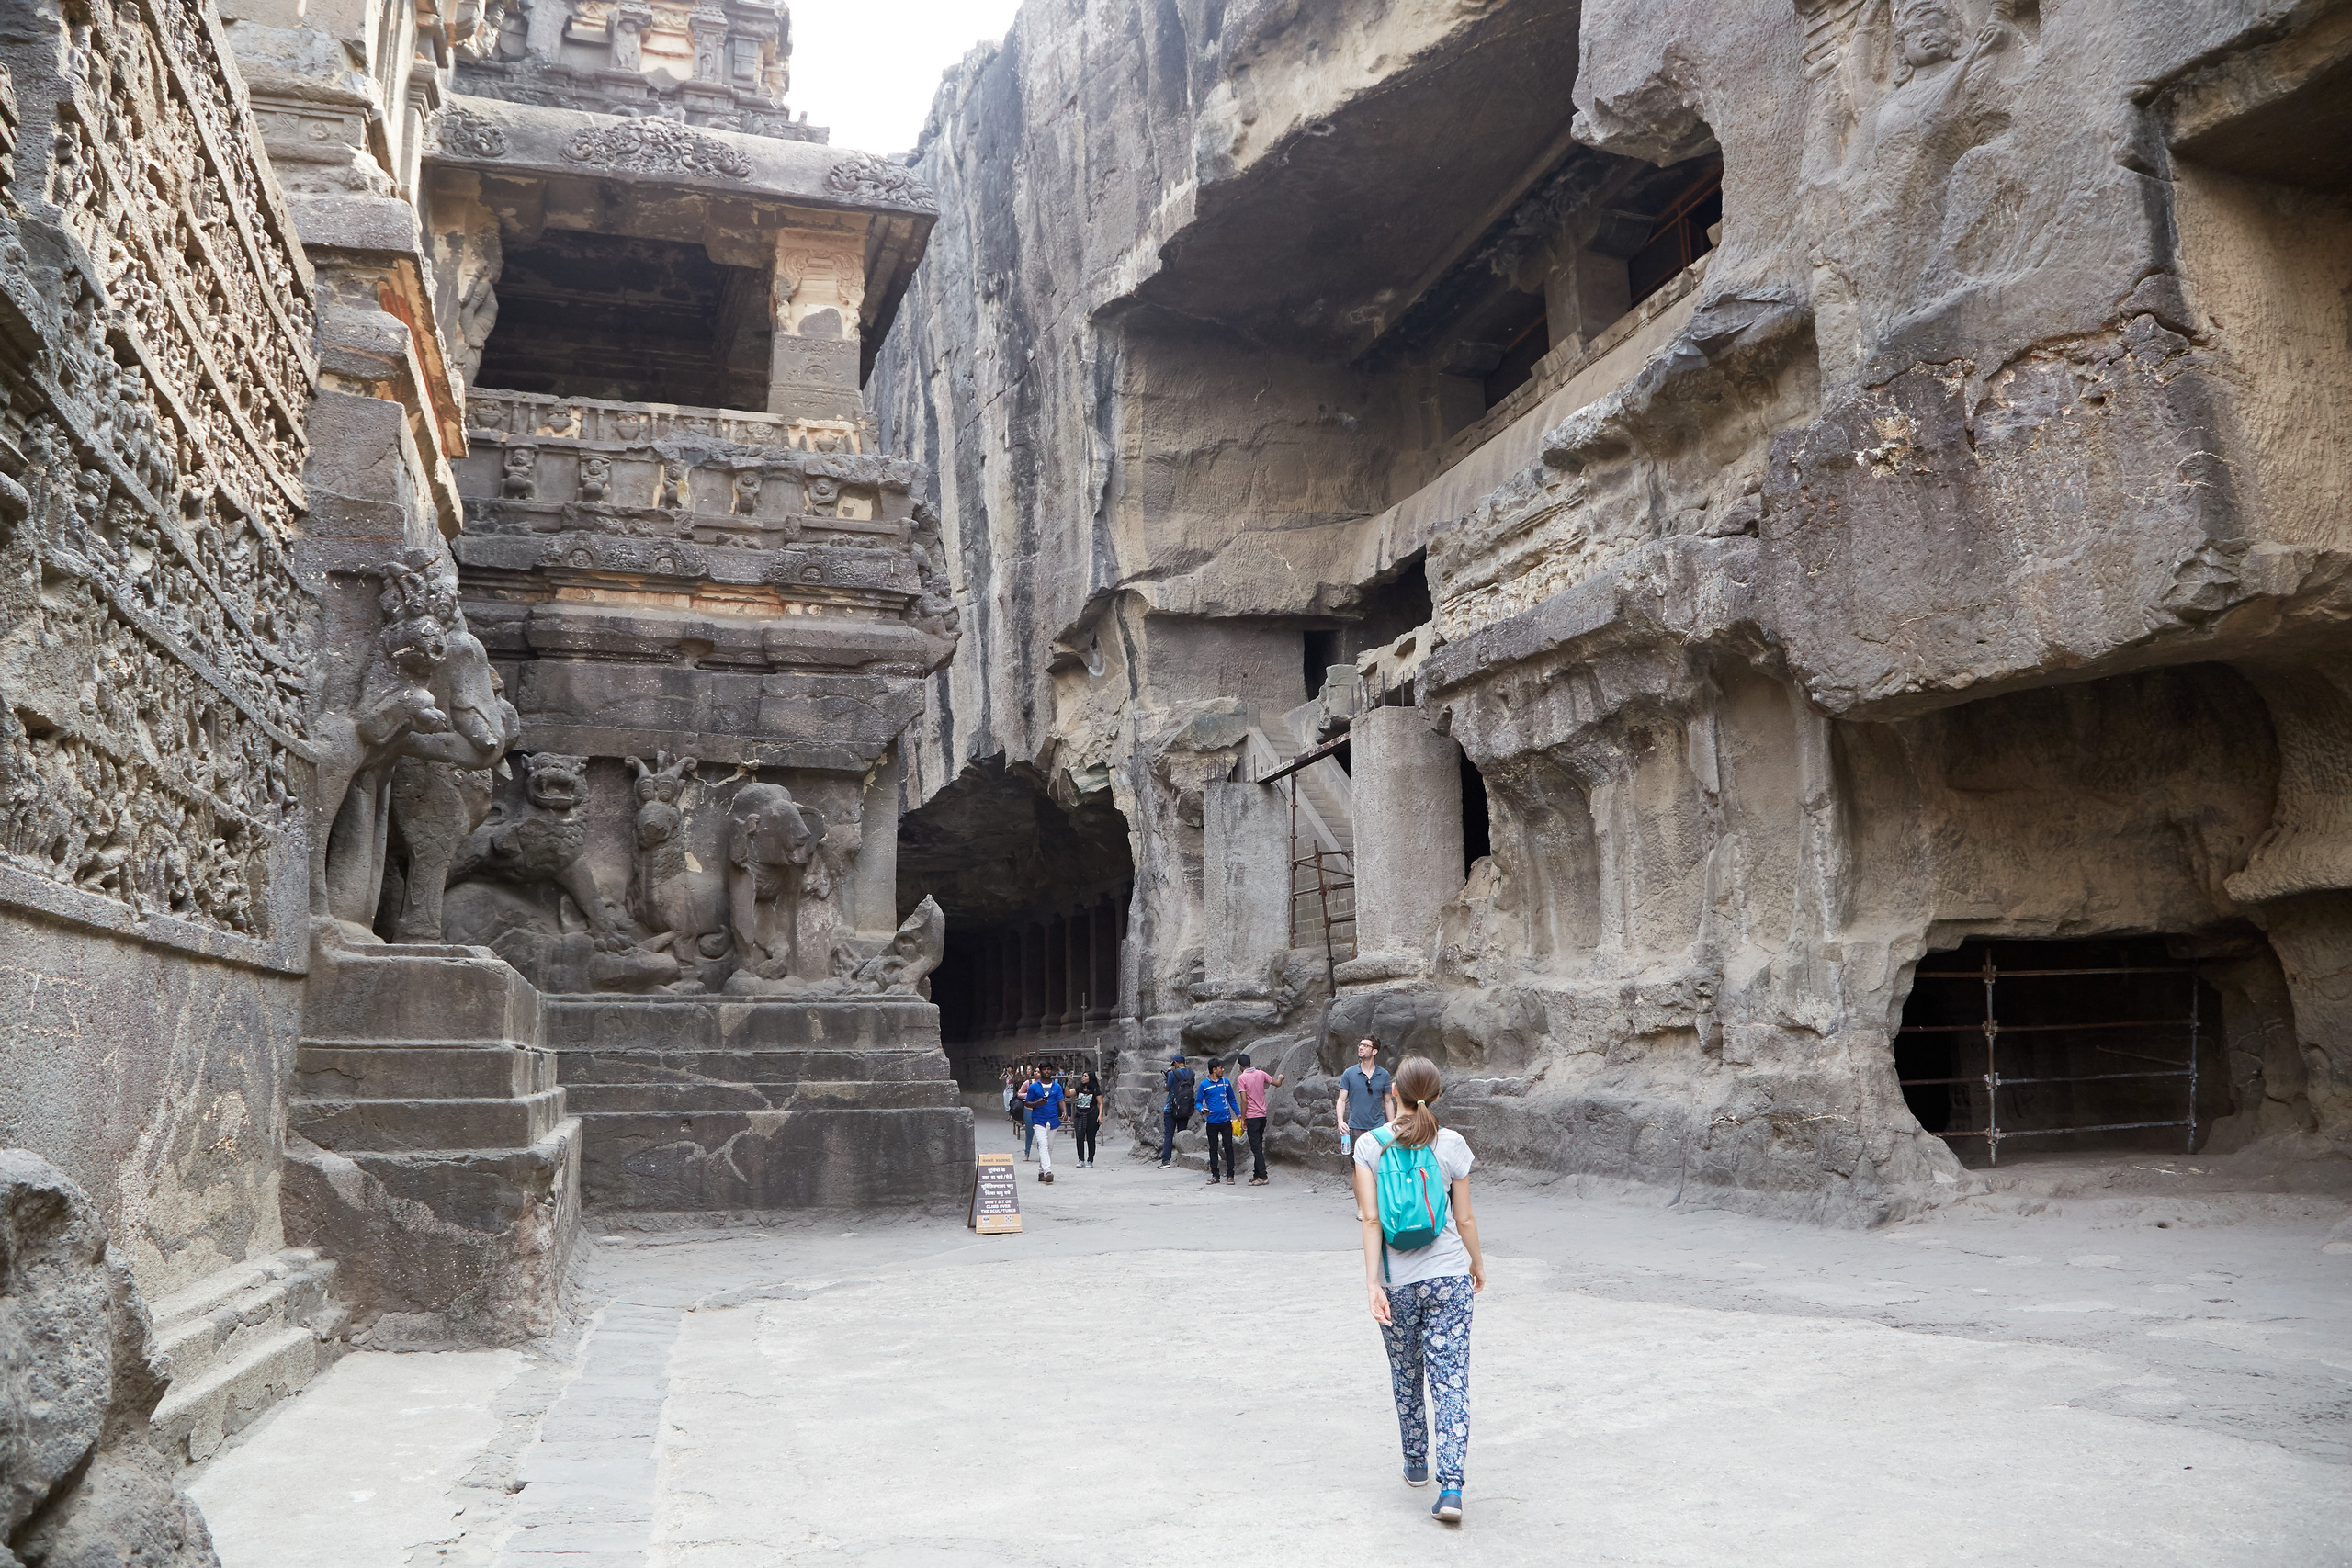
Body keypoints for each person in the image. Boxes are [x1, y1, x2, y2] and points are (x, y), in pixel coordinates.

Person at [1351, 1055, 1483, 1526]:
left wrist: (1371, 1284)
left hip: (1397, 1281)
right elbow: (1463, 1218)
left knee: (1406, 1372)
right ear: (1437, 1096)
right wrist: (1476, 1263)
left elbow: (1370, 1219)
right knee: (1451, 1380)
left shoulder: (1370, 1146)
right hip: (1449, 1276)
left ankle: (1415, 1462)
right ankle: (1451, 1488)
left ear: (1394, 1096)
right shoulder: (1450, 1143)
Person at [1335, 1037, 1397, 1167]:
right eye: (1360, 1045)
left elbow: (1388, 1102)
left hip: (1378, 1127)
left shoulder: (1384, 1074)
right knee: (1357, 1164)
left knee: (1380, 1163)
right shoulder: (1349, 1073)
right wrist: (1340, 1121)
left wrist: (1391, 1125)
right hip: (1356, 1126)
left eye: (1365, 1046)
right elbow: (1341, 1100)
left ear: (1374, 1051)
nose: (1361, 1047)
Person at [1234, 1052, 1286, 1185]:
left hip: (1252, 1116)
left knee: (1255, 1147)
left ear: (1240, 1066)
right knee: (1258, 1145)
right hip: (1262, 1115)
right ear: (1250, 1063)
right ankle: (1256, 1174)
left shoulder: (1241, 1078)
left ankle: (1263, 1176)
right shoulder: (1261, 1073)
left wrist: (1243, 1118)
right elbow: (1277, 1083)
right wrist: (1280, 1077)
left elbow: (1244, 1100)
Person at [1197, 1057, 1241, 1186]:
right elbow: (1198, 1102)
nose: (1223, 1070)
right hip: (1212, 1122)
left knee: (1228, 1147)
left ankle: (1230, 1175)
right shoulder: (1204, 1085)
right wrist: (1202, 1110)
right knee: (1213, 1148)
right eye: (1220, 1068)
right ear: (1214, 1069)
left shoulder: (1226, 1083)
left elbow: (1232, 1100)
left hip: (1226, 1121)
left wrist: (1238, 1114)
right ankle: (1215, 1175)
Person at [1023, 1068, 1065, 1183]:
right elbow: (1027, 1102)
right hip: (1038, 1119)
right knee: (1042, 1144)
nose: (1047, 1072)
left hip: (1052, 1119)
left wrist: (1065, 1111)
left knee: (1049, 1146)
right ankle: (1047, 1171)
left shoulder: (1057, 1087)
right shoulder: (1033, 1087)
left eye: (1049, 1069)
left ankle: (1041, 1171)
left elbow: (1061, 1100)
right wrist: (1037, 1103)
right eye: (1044, 1070)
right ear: (1041, 1072)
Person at [1159, 1052, 1196, 1167]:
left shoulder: (1172, 1074)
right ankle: (1183, 1158)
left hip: (1171, 1107)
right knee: (1182, 1133)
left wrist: (1166, 1078)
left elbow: (1167, 1088)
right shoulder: (1191, 1073)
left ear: (1175, 1062)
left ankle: (1166, 1160)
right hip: (1185, 1107)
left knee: (1169, 1134)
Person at [1070, 1071, 1104, 1168]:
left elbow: (1100, 1103)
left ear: (1090, 1078)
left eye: (1085, 1076)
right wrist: (1068, 1083)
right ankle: (1081, 1159)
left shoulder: (1095, 1090)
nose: (1083, 1078)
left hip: (1091, 1115)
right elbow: (1068, 1093)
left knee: (1090, 1138)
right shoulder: (1079, 1088)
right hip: (1080, 1115)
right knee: (1079, 1136)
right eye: (1083, 1076)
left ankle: (1090, 1160)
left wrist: (1100, 1115)